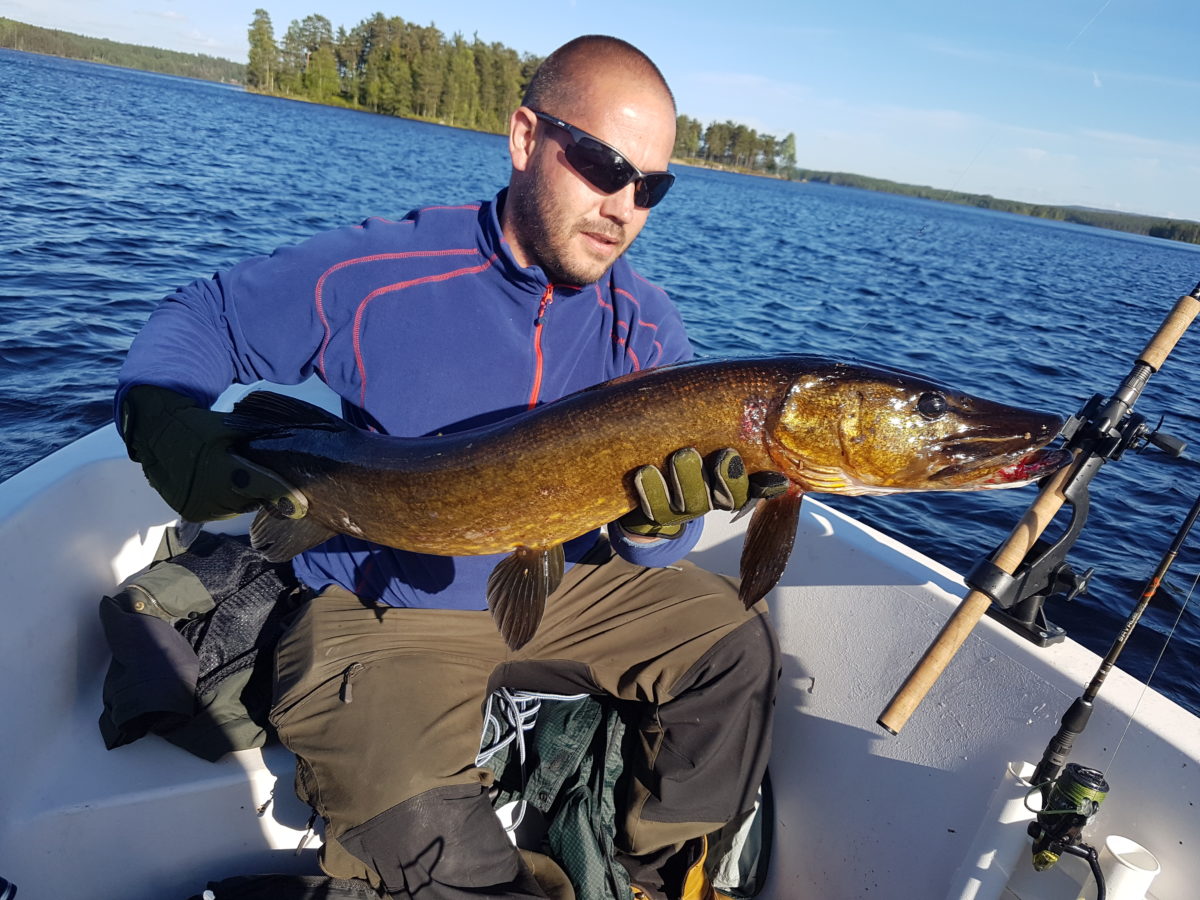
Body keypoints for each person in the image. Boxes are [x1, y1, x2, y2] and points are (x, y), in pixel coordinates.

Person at [116, 35, 780, 900]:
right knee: (434, 853)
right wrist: (163, 419)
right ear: (524, 138)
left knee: (732, 647)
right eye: (600, 164)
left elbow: (659, 546)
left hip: (569, 582)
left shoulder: (646, 329)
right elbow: (202, 319)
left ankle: (655, 875)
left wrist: (660, 529)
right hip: (383, 602)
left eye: (650, 186)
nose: (623, 206)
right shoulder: (383, 271)